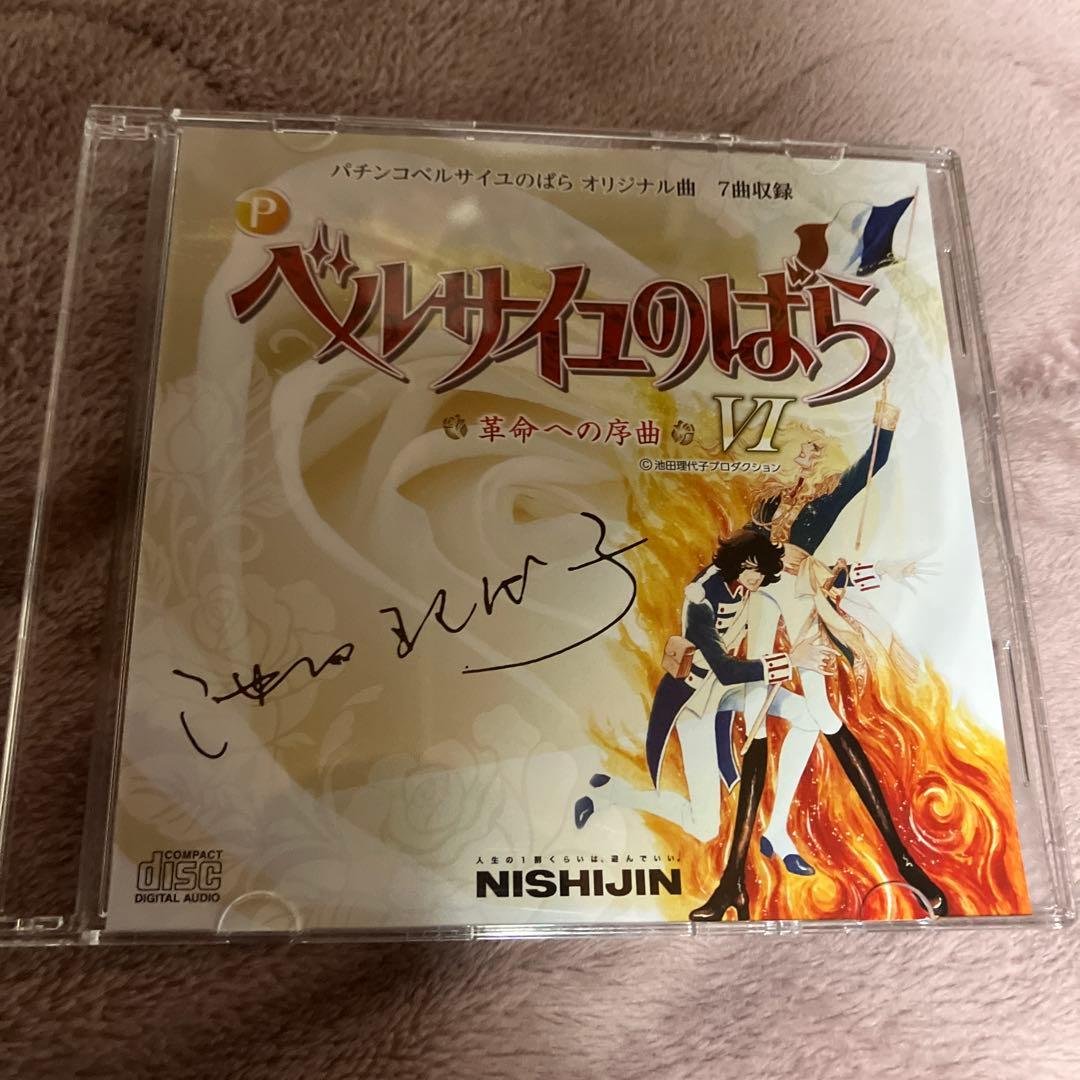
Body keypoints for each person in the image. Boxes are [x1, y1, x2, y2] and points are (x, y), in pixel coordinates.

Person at [690, 398, 949, 920]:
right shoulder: (764, 505)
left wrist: (884, 424)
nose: (805, 458)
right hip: (763, 602)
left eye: (813, 450)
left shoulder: (825, 499)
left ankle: (904, 862)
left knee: (824, 713)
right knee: (756, 719)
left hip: (802, 599)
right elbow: (735, 561)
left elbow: (872, 463)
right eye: (798, 450)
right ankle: (732, 882)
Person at [573, 528, 834, 921]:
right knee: (705, 826)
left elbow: (802, 576)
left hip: (727, 692)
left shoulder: (753, 586)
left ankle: (776, 828)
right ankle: (610, 792)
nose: (755, 578)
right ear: (734, 563)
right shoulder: (701, 598)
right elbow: (725, 669)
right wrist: (789, 661)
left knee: (809, 716)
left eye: (760, 571)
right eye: (749, 569)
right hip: (696, 701)